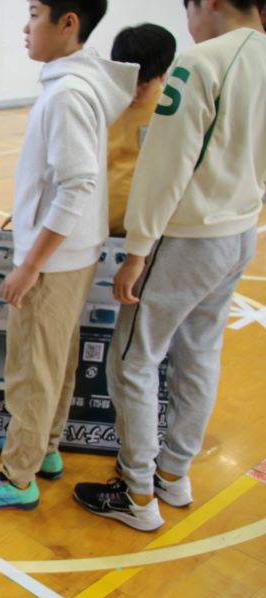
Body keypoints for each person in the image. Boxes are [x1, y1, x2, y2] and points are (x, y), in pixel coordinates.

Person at [74, 0, 265, 531]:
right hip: (239, 233)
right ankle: (173, 475)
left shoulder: (200, 62)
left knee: (133, 360)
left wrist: (137, 251)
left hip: (186, 238)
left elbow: (165, 163)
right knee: (200, 353)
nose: (190, 22)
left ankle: (137, 493)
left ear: (209, 3)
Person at [0, 0, 137, 512]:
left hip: (53, 262)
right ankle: (45, 448)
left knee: (33, 367)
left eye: (35, 13)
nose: (26, 26)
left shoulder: (67, 94)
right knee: (55, 358)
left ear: (68, 23)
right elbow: (59, 178)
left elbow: (77, 184)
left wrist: (31, 263)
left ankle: (17, 476)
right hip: (74, 252)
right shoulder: (80, 84)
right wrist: (30, 211)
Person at [107, 24, 177, 236]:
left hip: (145, 231)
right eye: (128, 81)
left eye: (144, 84)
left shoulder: (171, 113)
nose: (134, 91)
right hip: (97, 227)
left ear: (163, 75)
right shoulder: (104, 105)